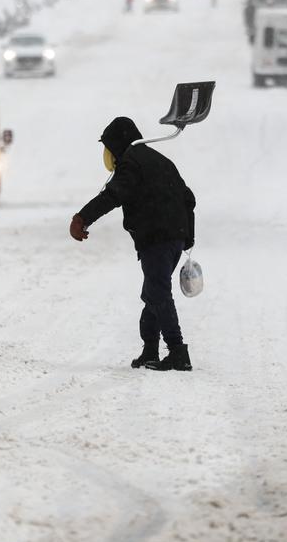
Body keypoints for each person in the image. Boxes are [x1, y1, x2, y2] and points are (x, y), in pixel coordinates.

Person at [70, 117, 197, 372]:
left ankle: (177, 351)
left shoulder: (131, 163)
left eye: (108, 148)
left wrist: (82, 218)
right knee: (152, 292)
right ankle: (150, 350)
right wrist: (187, 236)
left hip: (156, 237)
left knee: (158, 292)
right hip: (173, 237)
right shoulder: (161, 160)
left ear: (117, 145)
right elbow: (188, 197)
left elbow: (113, 195)